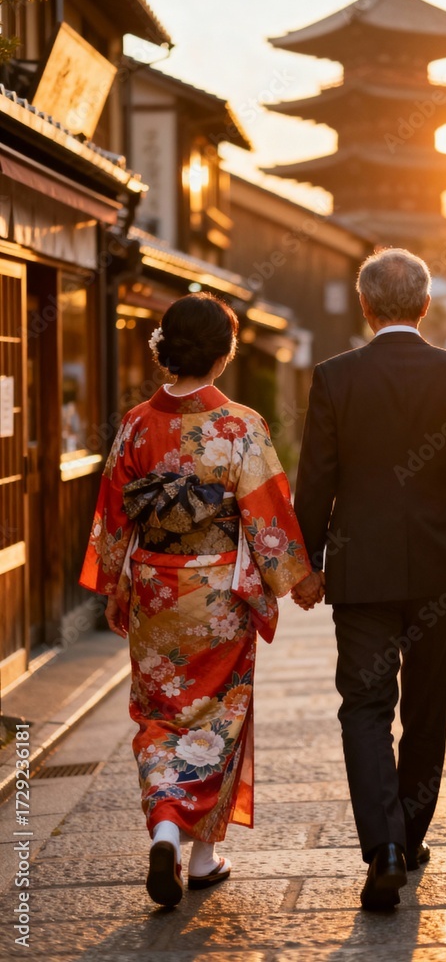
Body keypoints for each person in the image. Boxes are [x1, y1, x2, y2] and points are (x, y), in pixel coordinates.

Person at [80, 293, 323, 908]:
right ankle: (205, 854)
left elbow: (113, 513)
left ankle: (165, 830)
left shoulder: (136, 423)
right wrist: (299, 579)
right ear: (224, 352)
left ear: (168, 348)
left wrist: (115, 584)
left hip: (155, 589)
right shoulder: (239, 425)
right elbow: (266, 512)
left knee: (160, 713)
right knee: (220, 715)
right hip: (217, 595)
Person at [292, 248, 446, 910]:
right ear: (425, 304)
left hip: (361, 569)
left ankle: (383, 846)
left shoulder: (335, 377)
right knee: (425, 705)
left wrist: (311, 561)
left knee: (364, 705)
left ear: (364, 306)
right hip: (440, 567)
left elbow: (315, 484)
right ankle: (408, 838)